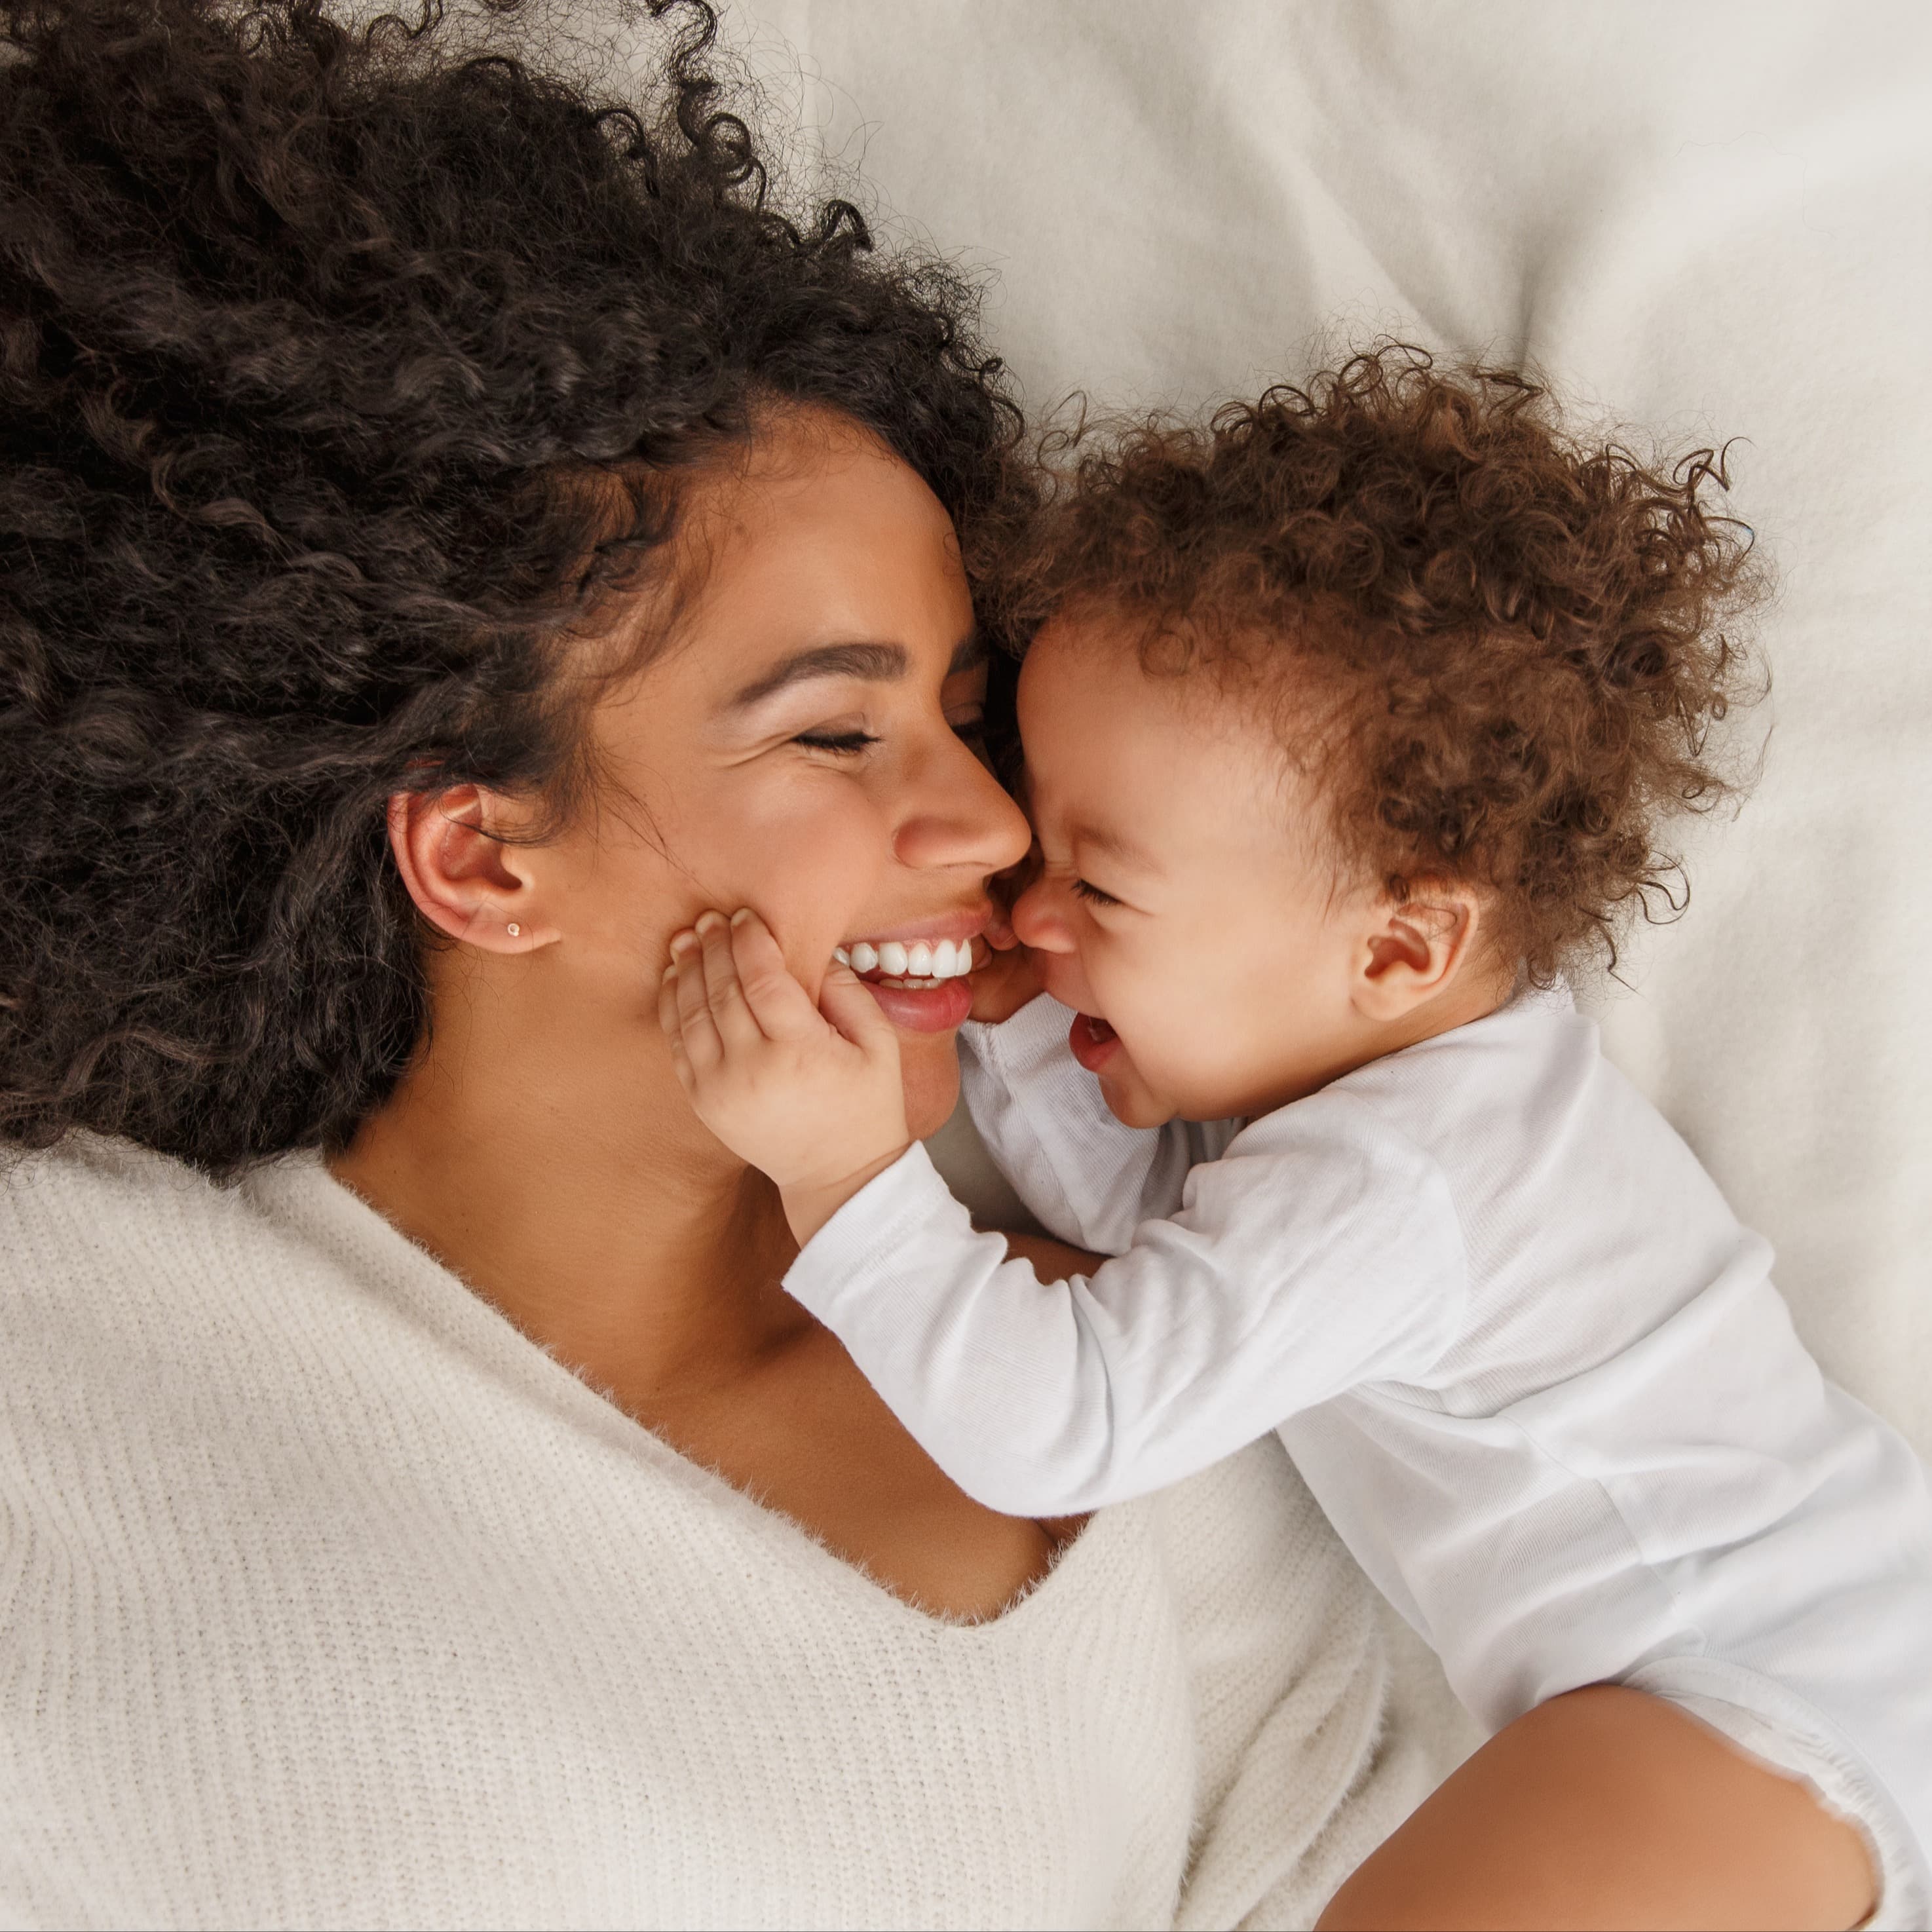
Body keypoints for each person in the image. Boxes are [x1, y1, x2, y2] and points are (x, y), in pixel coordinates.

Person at [0, 3, 1436, 1922]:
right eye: (837, 735)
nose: (993, 827)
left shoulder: (1139, 1367)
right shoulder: (66, 1322)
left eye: (960, 710)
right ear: (479, 850)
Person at [660, 353, 1931, 1929]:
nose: (1026, 910)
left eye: (1097, 891)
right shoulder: (1382, 1097)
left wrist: (844, 1176)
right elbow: (1146, 1229)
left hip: (1752, 1694)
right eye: (1040, 852)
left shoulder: (1402, 1177)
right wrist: (1021, 1012)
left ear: (1398, 947)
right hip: (1786, 1680)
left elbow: (1070, 1411)